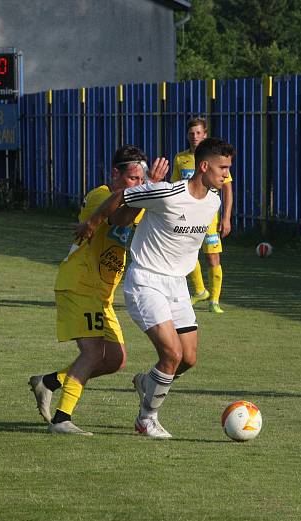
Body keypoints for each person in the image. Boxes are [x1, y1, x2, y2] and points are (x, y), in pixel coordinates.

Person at [76, 138, 234, 439]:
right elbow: (122, 198)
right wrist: (94, 222)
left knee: (188, 359)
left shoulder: (213, 200)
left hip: (176, 284)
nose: (226, 174)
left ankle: (147, 383)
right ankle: (146, 419)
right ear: (204, 166)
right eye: (222, 167)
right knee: (171, 354)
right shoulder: (169, 192)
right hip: (146, 280)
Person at [29, 145, 162, 435]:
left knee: (115, 359)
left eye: (142, 180)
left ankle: (49, 382)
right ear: (116, 173)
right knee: (93, 352)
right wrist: (149, 189)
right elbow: (121, 218)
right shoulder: (99, 196)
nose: (137, 185)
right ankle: (62, 420)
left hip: (102, 294)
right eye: (133, 179)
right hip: (79, 284)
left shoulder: (133, 201)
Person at [172, 117, 233, 314]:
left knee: (213, 257)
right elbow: (175, 186)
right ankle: (199, 291)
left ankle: (214, 300)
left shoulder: (216, 159)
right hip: (187, 216)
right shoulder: (180, 159)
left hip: (210, 218)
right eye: (191, 133)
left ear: (205, 135)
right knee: (186, 254)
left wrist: (226, 217)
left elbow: (227, 189)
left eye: (198, 133)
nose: (194, 137)